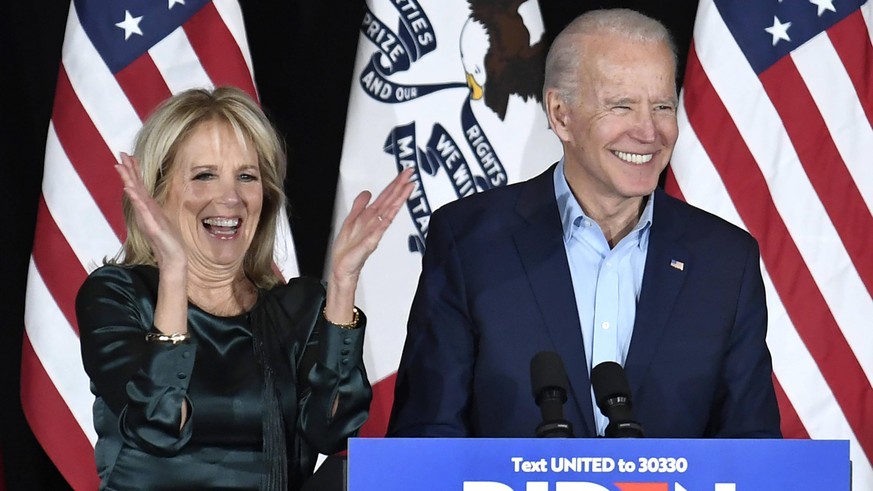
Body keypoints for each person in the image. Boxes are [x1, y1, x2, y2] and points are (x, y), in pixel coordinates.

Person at [387, 9, 781, 439]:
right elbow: (425, 439)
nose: (649, 131)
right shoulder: (471, 242)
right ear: (560, 115)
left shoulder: (725, 261)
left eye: (663, 106)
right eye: (622, 106)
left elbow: (754, 453)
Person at [76, 86, 414, 490]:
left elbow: (333, 430)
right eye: (204, 176)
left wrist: (343, 284)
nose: (231, 198)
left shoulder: (299, 307)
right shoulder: (118, 296)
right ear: (158, 192)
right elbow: (156, 422)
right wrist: (173, 271)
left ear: (265, 196)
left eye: (246, 177)